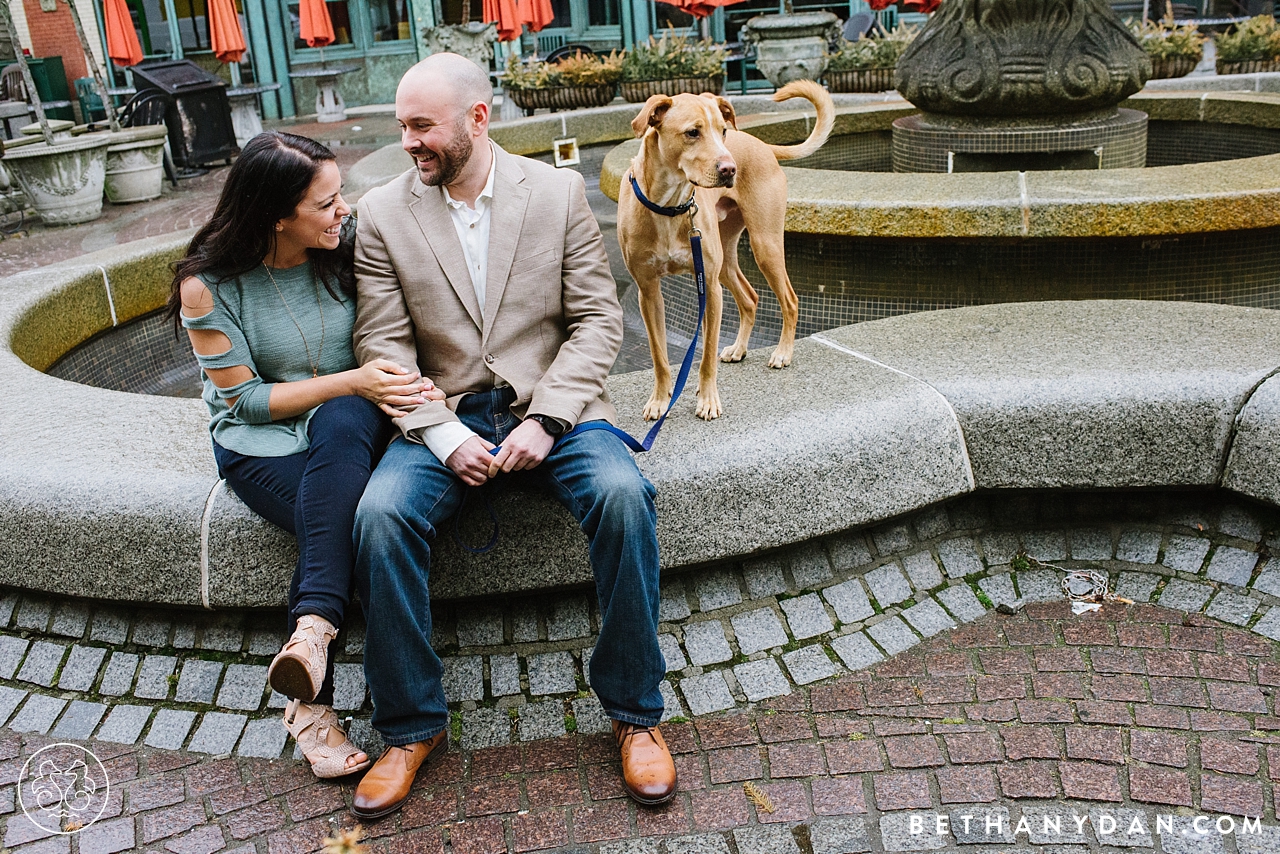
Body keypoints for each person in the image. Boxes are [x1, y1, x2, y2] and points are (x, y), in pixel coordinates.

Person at [348, 53, 676, 819]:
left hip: (557, 412)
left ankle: (636, 716)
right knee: (379, 517)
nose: (409, 142)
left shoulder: (558, 192)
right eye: (402, 126)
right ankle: (409, 727)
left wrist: (548, 418)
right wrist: (439, 435)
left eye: (422, 126)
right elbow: (383, 349)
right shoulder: (382, 213)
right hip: (444, 413)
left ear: (477, 119)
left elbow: (599, 320)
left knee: (626, 495)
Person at [169, 131, 443, 779]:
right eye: (326, 203)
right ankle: (312, 697)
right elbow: (246, 404)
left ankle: (312, 632)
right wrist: (353, 381)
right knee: (348, 518)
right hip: (260, 442)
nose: (343, 209)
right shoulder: (206, 286)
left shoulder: (344, 246)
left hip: (350, 426)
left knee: (345, 418)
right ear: (276, 216)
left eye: (340, 193)